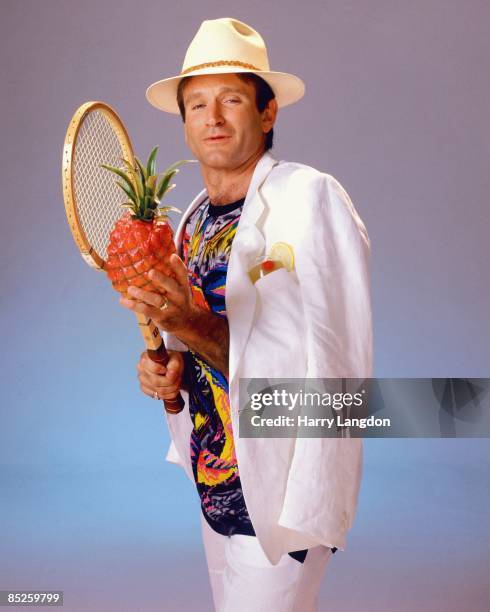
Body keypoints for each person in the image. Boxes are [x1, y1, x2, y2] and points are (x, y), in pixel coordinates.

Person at [120, 17, 373, 612]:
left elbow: (332, 367)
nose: (212, 118)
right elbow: (199, 353)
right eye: (197, 104)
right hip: (214, 484)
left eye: (232, 99)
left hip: (282, 493)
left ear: (267, 114)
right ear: (183, 123)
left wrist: (186, 325)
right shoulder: (189, 221)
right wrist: (165, 372)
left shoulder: (309, 199)